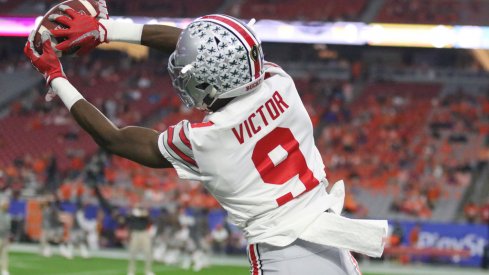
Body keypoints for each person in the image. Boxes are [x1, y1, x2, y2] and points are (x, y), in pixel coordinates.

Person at [24, 2, 388, 273]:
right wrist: (108, 31)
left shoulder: (209, 138)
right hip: (333, 243)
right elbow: (201, 47)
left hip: (283, 256)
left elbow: (115, 139)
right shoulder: (280, 82)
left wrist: (55, 76)